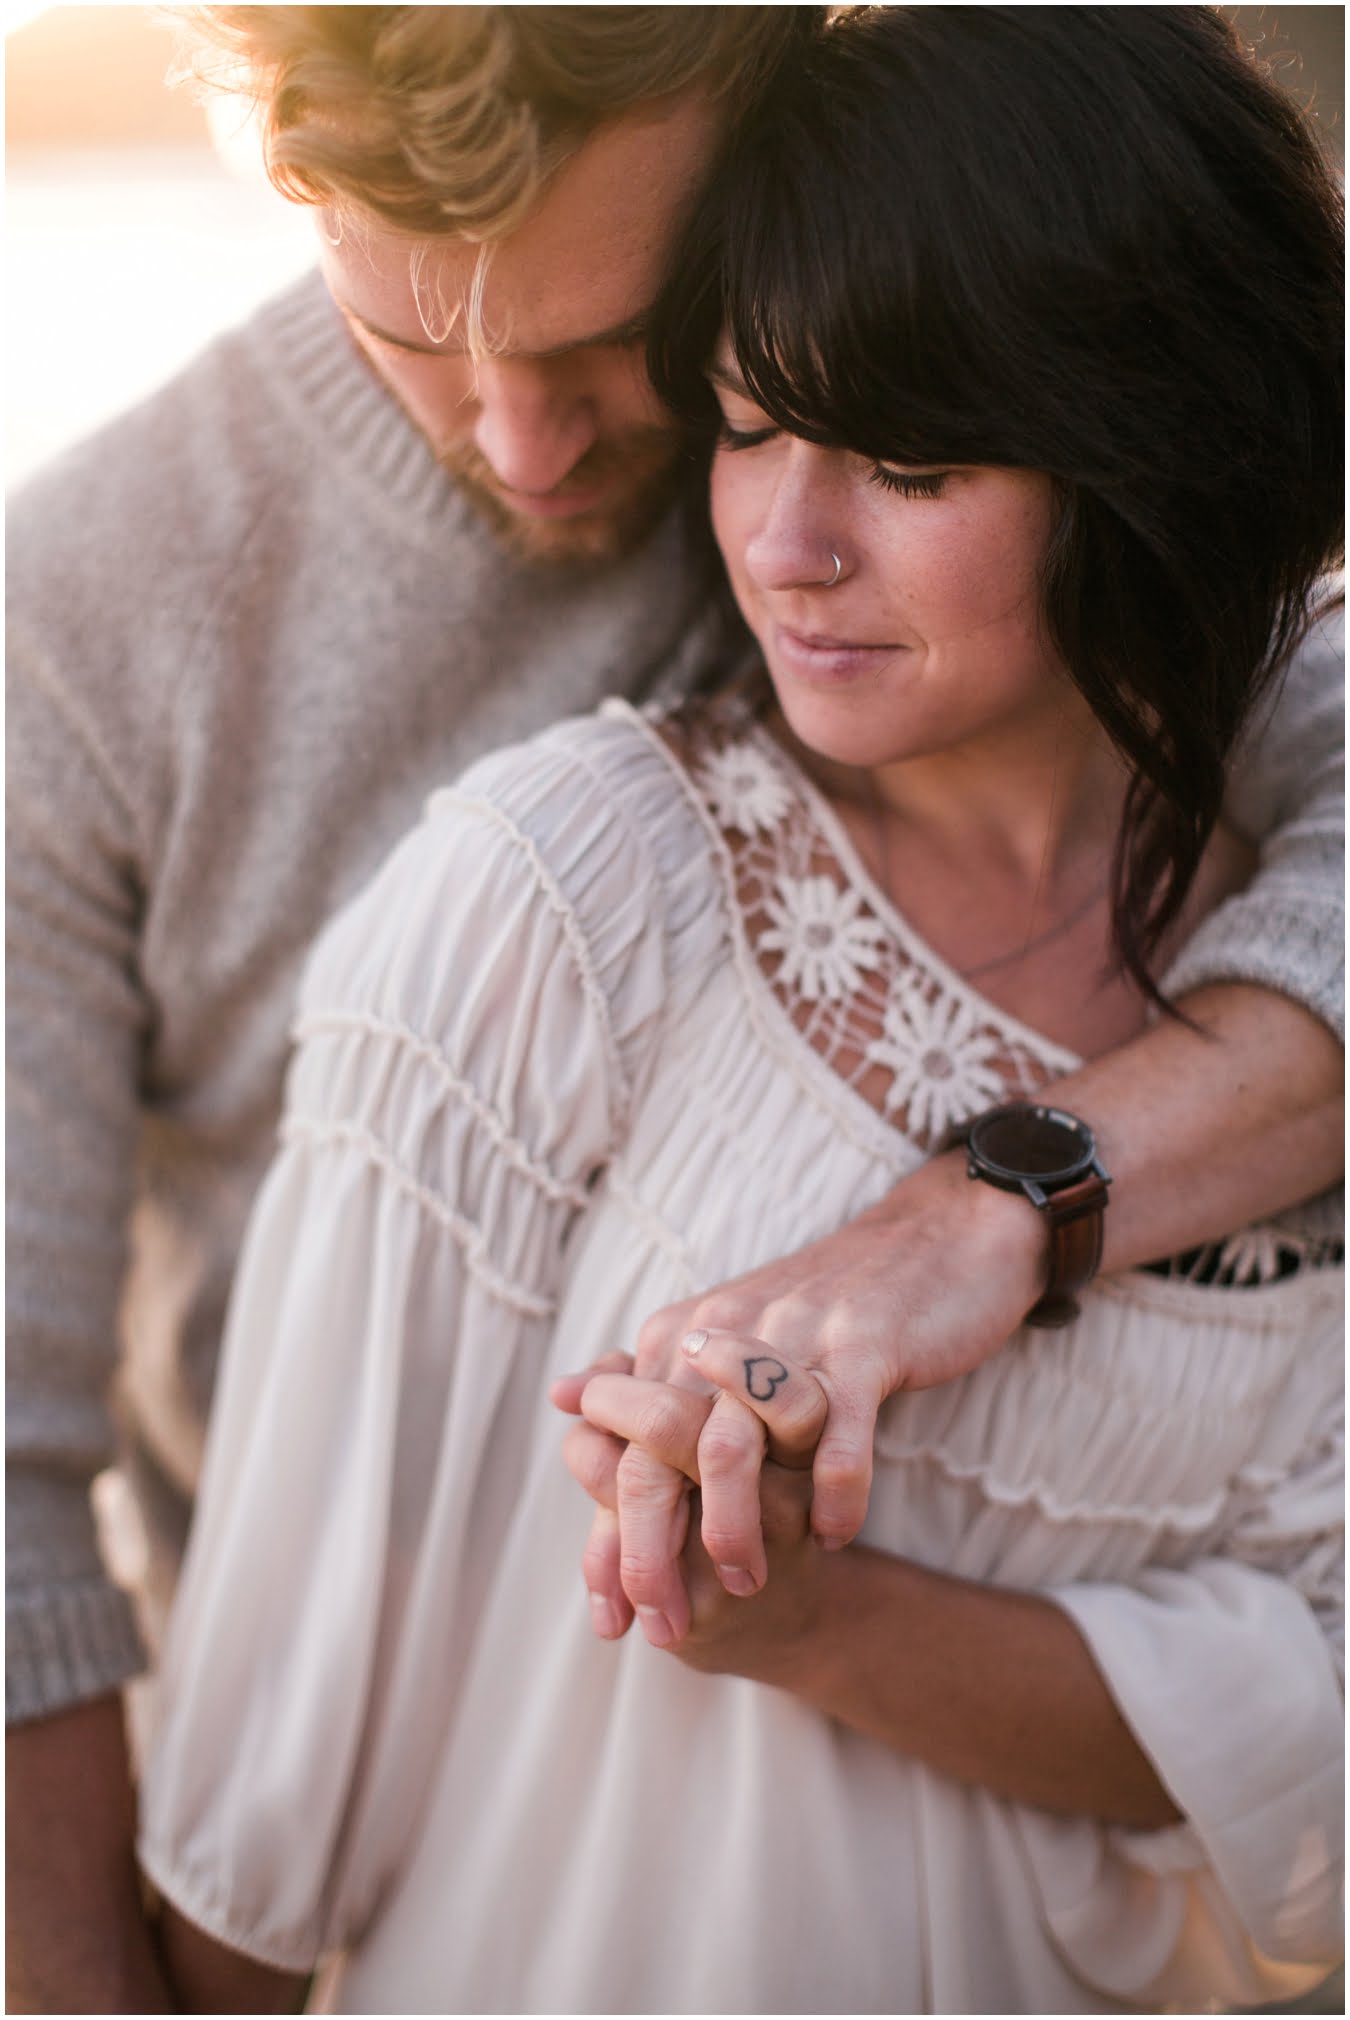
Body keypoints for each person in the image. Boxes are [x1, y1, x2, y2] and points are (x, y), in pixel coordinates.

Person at [4, 4, 1341, 2011]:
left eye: (607, 345)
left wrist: (984, 1217)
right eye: (413, 333)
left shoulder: (981, 363)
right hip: (402, 1772)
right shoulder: (92, 625)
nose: (527, 448)